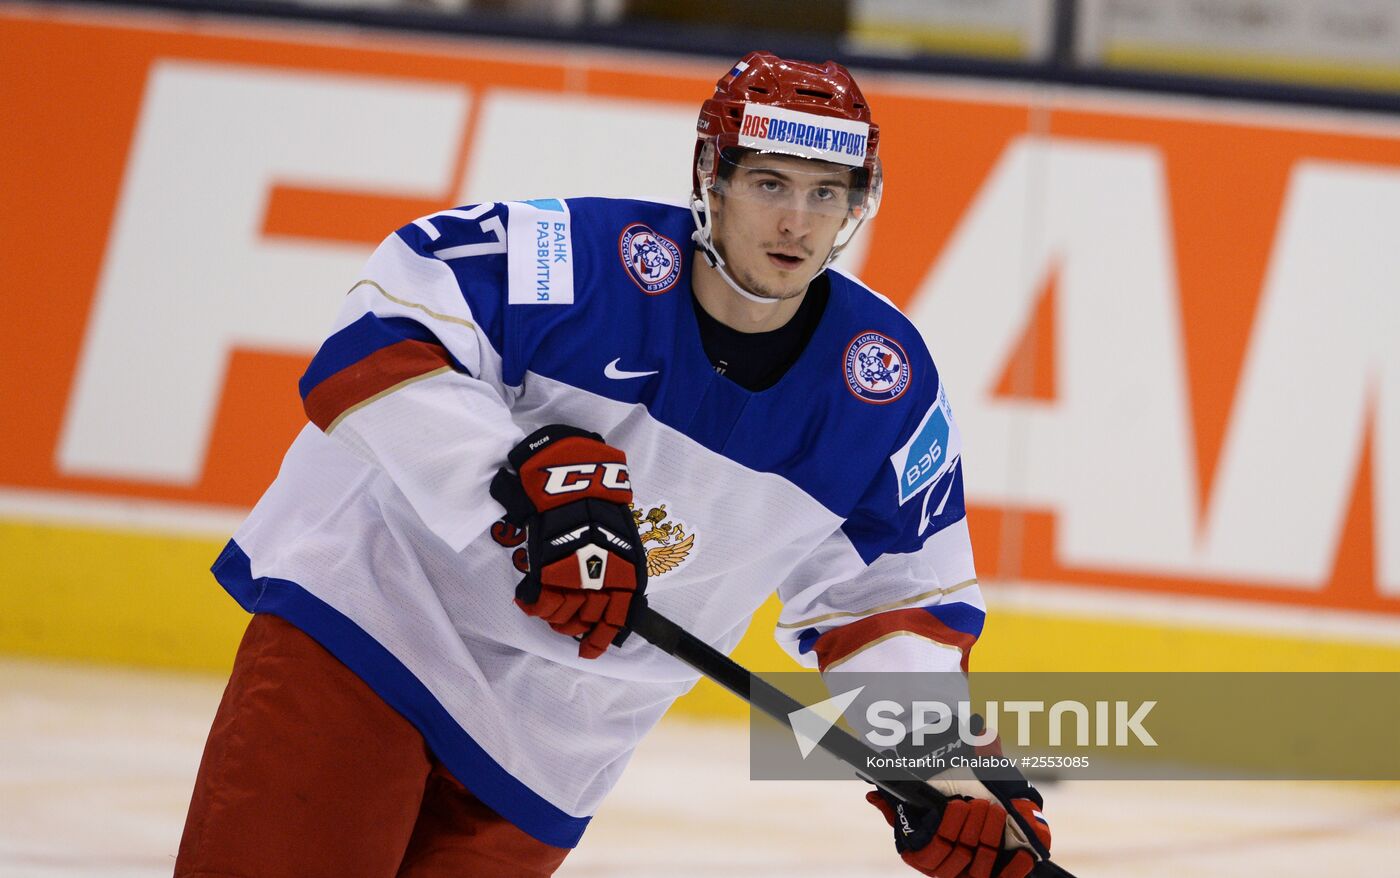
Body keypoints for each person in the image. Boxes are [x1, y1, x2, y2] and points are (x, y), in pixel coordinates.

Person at [175, 50, 1052, 878]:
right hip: (376, 630)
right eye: (769, 183)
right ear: (711, 179)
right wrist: (516, 476)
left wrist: (946, 773)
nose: (797, 220)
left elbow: (892, 604)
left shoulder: (885, 383)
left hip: (555, 748)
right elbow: (379, 333)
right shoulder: (583, 260)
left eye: (828, 192)